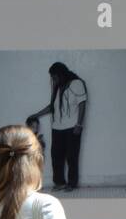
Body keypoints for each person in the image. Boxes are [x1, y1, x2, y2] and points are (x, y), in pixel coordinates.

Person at [26, 61, 87, 193]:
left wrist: (79, 124)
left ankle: (72, 184)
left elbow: (82, 104)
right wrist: (36, 114)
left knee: (72, 156)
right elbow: (52, 107)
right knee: (56, 156)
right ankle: (59, 183)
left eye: (54, 76)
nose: (53, 79)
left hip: (72, 127)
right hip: (57, 128)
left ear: (61, 74)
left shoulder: (76, 84)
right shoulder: (58, 87)